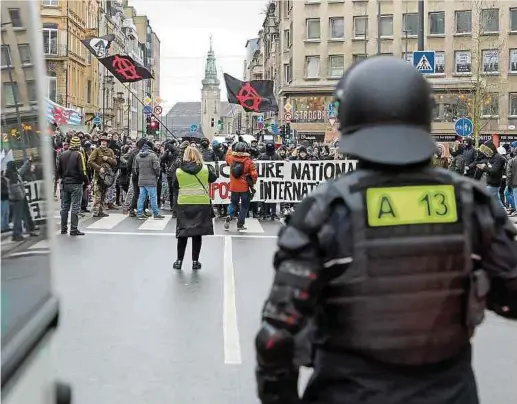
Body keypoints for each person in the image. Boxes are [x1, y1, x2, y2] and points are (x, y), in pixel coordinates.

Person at [255, 57, 517, 404]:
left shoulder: (326, 210)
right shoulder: (471, 202)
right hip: (450, 393)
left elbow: (275, 338)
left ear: (349, 119)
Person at [173, 146, 218, 270]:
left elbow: (175, 186)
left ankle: (179, 261)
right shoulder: (205, 169)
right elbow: (214, 178)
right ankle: (195, 261)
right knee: (197, 234)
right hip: (201, 203)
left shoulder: (178, 171)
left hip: (184, 204)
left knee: (182, 233)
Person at [57, 136, 89, 236]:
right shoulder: (79, 155)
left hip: (65, 183)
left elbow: (58, 170)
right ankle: (74, 229)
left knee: (64, 207)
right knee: (75, 207)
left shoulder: (62, 154)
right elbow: (82, 171)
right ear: (78, 145)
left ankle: (63, 228)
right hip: (76, 183)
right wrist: (87, 182)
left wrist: (63, 178)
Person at [224, 141, 258, 231]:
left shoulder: (231, 159)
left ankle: (229, 215)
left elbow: (227, 155)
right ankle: (240, 224)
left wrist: (230, 147)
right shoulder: (248, 161)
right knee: (244, 206)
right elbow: (254, 174)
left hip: (234, 187)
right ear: (245, 150)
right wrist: (252, 182)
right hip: (244, 187)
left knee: (233, 203)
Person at [88, 134, 117, 217]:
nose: (104, 143)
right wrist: (98, 168)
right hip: (98, 176)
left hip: (107, 177)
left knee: (104, 194)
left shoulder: (110, 151)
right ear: (100, 142)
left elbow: (115, 162)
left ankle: (100, 210)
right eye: (102, 141)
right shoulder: (96, 150)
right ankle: (95, 211)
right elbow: (90, 161)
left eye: (105, 142)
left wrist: (107, 159)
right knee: (97, 194)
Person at [134, 141, 164, 220]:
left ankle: (140, 213)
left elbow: (136, 168)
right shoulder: (153, 155)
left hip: (141, 179)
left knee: (141, 197)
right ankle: (156, 213)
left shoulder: (138, 156)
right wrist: (157, 175)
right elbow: (157, 167)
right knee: (153, 197)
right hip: (151, 179)